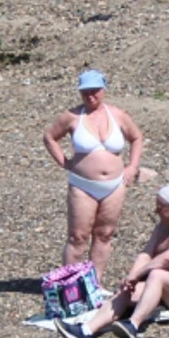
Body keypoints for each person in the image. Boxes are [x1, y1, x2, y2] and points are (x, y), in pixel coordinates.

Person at [58, 185, 169, 338]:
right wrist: (131, 278)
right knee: (126, 292)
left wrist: (139, 275)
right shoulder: (162, 228)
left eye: (160, 208)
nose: (157, 212)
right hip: (168, 290)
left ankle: (133, 324)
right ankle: (87, 330)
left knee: (157, 274)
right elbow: (146, 254)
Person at [43, 69, 146, 269]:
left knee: (104, 234)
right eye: (85, 92)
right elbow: (50, 137)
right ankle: (70, 285)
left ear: (104, 90)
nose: (90, 96)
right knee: (77, 236)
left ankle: (95, 285)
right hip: (83, 186)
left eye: (95, 91)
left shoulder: (118, 115)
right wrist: (65, 162)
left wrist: (132, 166)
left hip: (114, 185)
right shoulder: (72, 116)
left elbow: (136, 137)